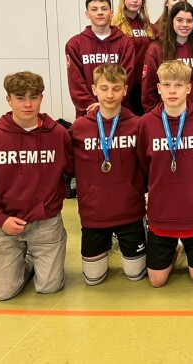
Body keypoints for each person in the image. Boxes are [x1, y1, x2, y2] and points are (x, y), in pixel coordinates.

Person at [0, 72, 73, 300]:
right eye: (20, 97)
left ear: (41, 98)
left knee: (49, 287)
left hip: (46, 223)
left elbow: (74, 169)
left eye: (34, 97)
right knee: (3, 292)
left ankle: (38, 258)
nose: (28, 104)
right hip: (6, 225)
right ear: (9, 99)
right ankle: (26, 260)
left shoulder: (58, 135)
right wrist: (0, 219)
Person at [136, 61, 193, 288]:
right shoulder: (146, 123)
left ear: (188, 88)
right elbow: (143, 164)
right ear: (158, 88)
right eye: (167, 85)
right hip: (161, 211)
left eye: (178, 85)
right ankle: (175, 246)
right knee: (156, 281)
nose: (172, 91)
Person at [70, 64, 147, 285]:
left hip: (130, 212)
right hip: (94, 214)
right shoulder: (79, 127)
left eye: (116, 88)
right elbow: (67, 165)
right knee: (93, 279)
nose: (110, 94)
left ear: (125, 90)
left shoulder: (138, 125)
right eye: (104, 88)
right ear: (94, 89)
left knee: (135, 275)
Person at [66, 0, 135, 119]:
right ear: (87, 14)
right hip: (88, 113)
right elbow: (75, 82)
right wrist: (92, 106)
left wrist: (109, 103)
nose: (100, 13)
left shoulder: (125, 43)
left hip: (118, 112)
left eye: (104, 9)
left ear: (111, 13)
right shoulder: (74, 44)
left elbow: (127, 77)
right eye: (94, 9)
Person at [142, 1, 193, 113]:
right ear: (171, 21)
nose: (185, 25)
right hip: (167, 113)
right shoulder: (156, 49)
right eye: (179, 20)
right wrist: (154, 115)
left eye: (189, 21)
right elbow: (148, 89)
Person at [112, 0, 157, 116]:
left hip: (145, 83)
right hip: (125, 82)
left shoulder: (148, 26)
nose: (135, 0)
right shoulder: (115, 26)